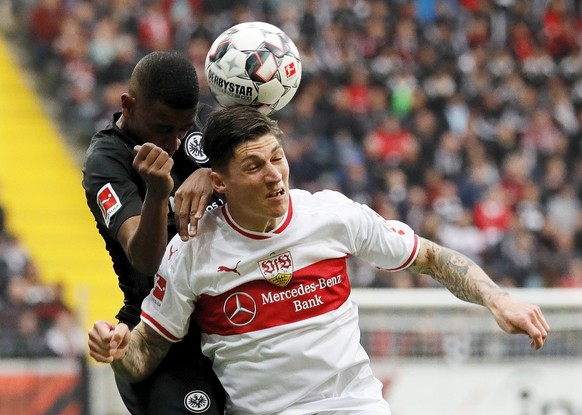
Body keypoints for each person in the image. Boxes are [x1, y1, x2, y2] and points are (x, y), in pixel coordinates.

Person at [88, 105, 549, 414]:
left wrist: (496, 299)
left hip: (356, 406)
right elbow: (146, 352)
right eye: (254, 166)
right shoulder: (191, 250)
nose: (275, 177)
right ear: (219, 182)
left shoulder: (331, 214)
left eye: (278, 158)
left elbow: (427, 256)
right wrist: (117, 348)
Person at [82, 51, 224, 414]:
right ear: (128, 105)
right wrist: (159, 194)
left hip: (226, 319)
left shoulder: (207, 127)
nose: (176, 141)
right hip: (157, 336)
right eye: (163, 128)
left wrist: (212, 175)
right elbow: (145, 261)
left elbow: (269, 177)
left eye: (183, 127)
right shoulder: (106, 161)